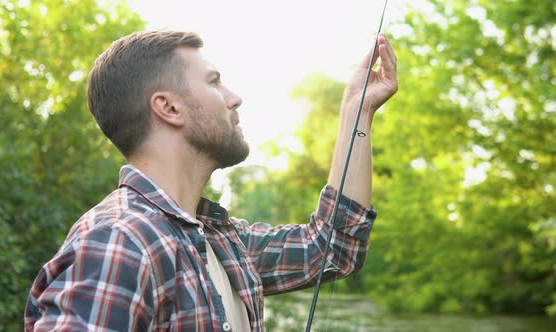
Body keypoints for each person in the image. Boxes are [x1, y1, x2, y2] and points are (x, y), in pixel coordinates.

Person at [24, 30, 398, 331]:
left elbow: (332, 249)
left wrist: (358, 109)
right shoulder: (120, 241)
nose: (234, 98)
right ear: (169, 108)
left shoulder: (222, 241)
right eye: (215, 82)